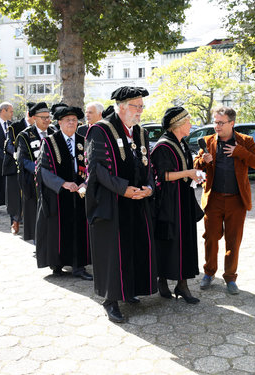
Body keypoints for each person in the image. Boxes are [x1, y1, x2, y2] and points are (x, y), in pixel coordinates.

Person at [85, 86, 157, 323]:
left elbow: (149, 166)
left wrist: (149, 187)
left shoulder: (140, 132)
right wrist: (123, 189)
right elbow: (97, 170)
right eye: (137, 106)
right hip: (112, 202)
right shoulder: (101, 131)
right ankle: (110, 299)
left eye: (141, 106)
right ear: (122, 107)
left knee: (135, 247)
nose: (141, 111)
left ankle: (129, 290)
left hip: (137, 201)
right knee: (113, 252)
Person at [194, 106, 255, 294]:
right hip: (214, 199)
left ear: (232, 123)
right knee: (211, 238)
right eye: (215, 122)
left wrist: (240, 152)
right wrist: (203, 161)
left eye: (220, 123)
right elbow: (196, 168)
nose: (217, 126)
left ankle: (230, 278)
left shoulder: (245, 141)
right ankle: (208, 273)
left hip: (236, 201)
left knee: (233, 241)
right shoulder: (207, 141)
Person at [150, 106, 204, 304]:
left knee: (185, 241)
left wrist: (194, 173)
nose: (191, 125)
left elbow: (183, 170)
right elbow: (162, 175)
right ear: (178, 125)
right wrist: (188, 173)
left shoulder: (181, 143)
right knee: (169, 241)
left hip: (183, 199)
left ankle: (182, 284)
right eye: (188, 121)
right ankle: (162, 280)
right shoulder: (163, 146)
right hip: (169, 202)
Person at [35, 105, 92, 280]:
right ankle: (57, 263)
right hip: (58, 195)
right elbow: (42, 170)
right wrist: (63, 184)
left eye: (74, 120)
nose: (71, 123)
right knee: (58, 229)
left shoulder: (84, 141)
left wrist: (86, 183)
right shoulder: (50, 142)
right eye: (67, 120)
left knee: (80, 229)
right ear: (59, 122)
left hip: (80, 194)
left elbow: (92, 167)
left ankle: (79, 266)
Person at [16, 102, 56, 241]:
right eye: (43, 117)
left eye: (48, 117)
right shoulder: (25, 135)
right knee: (35, 211)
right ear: (34, 118)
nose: (46, 120)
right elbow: (23, 160)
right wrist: (41, 171)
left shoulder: (54, 132)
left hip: (53, 180)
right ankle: (37, 240)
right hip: (33, 180)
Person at [4, 102, 34, 234]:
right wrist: (16, 153)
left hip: (32, 166)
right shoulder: (15, 127)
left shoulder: (41, 129)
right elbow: (8, 144)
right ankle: (15, 220)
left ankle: (28, 221)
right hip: (15, 165)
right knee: (15, 196)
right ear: (29, 115)